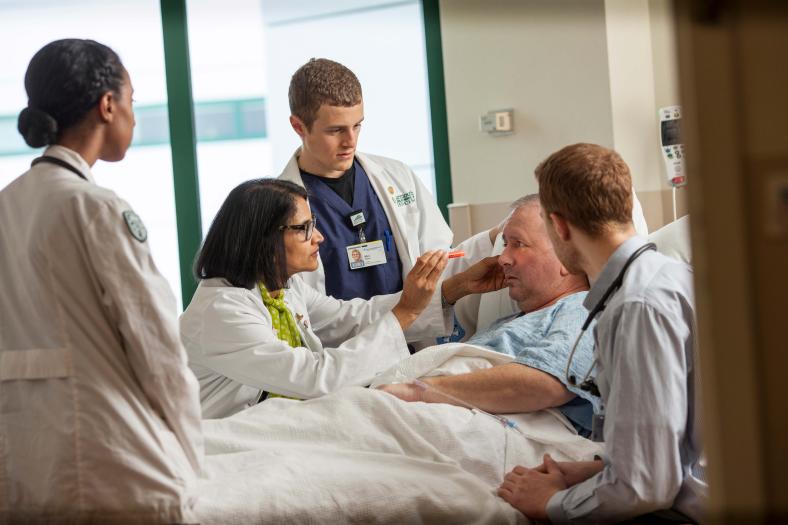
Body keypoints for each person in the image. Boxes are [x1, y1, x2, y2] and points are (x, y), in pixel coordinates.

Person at [0, 39, 202, 523]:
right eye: (131, 101)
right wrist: (192, 460)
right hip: (114, 461)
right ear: (108, 105)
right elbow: (159, 349)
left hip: (22, 463)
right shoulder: (97, 208)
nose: (134, 116)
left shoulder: (7, 206)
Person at [498, 143, 706, 523]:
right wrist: (596, 471)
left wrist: (551, 505)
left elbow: (647, 486)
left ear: (559, 225)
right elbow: (674, 446)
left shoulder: (637, 307)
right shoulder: (667, 279)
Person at [180, 179, 502, 418]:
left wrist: (453, 289)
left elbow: (353, 318)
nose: (318, 237)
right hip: (222, 438)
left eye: (314, 224)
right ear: (265, 239)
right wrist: (405, 312)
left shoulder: (282, 290)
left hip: (278, 421)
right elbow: (314, 377)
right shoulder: (222, 311)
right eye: (304, 228)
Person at [379, 195, 598, 435]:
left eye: (518, 244)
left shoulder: (582, 310)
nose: (503, 258)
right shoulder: (508, 323)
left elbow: (549, 382)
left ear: (566, 257)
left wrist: (419, 391)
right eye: (505, 244)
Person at [278, 58, 453, 303]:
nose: (350, 141)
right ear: (298, 126)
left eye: (357, 126)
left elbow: (438, 256)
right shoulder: (278, 207)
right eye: (335, 130)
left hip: (409, 336)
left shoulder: (398, 177)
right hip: (335, 340)